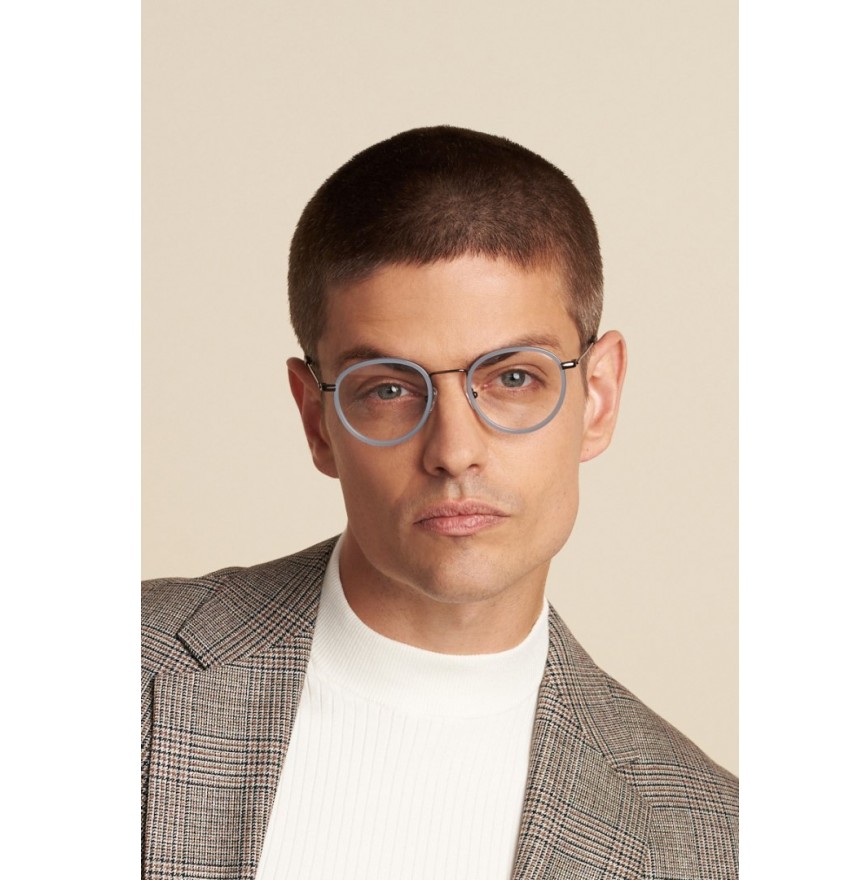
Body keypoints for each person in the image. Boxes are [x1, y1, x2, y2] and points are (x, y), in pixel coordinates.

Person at [141, 126, 738, 880]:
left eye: (514, 378)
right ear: (316, 420)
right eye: (389, 388)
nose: (454, 450)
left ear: (599, 396)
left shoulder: (710, 843)